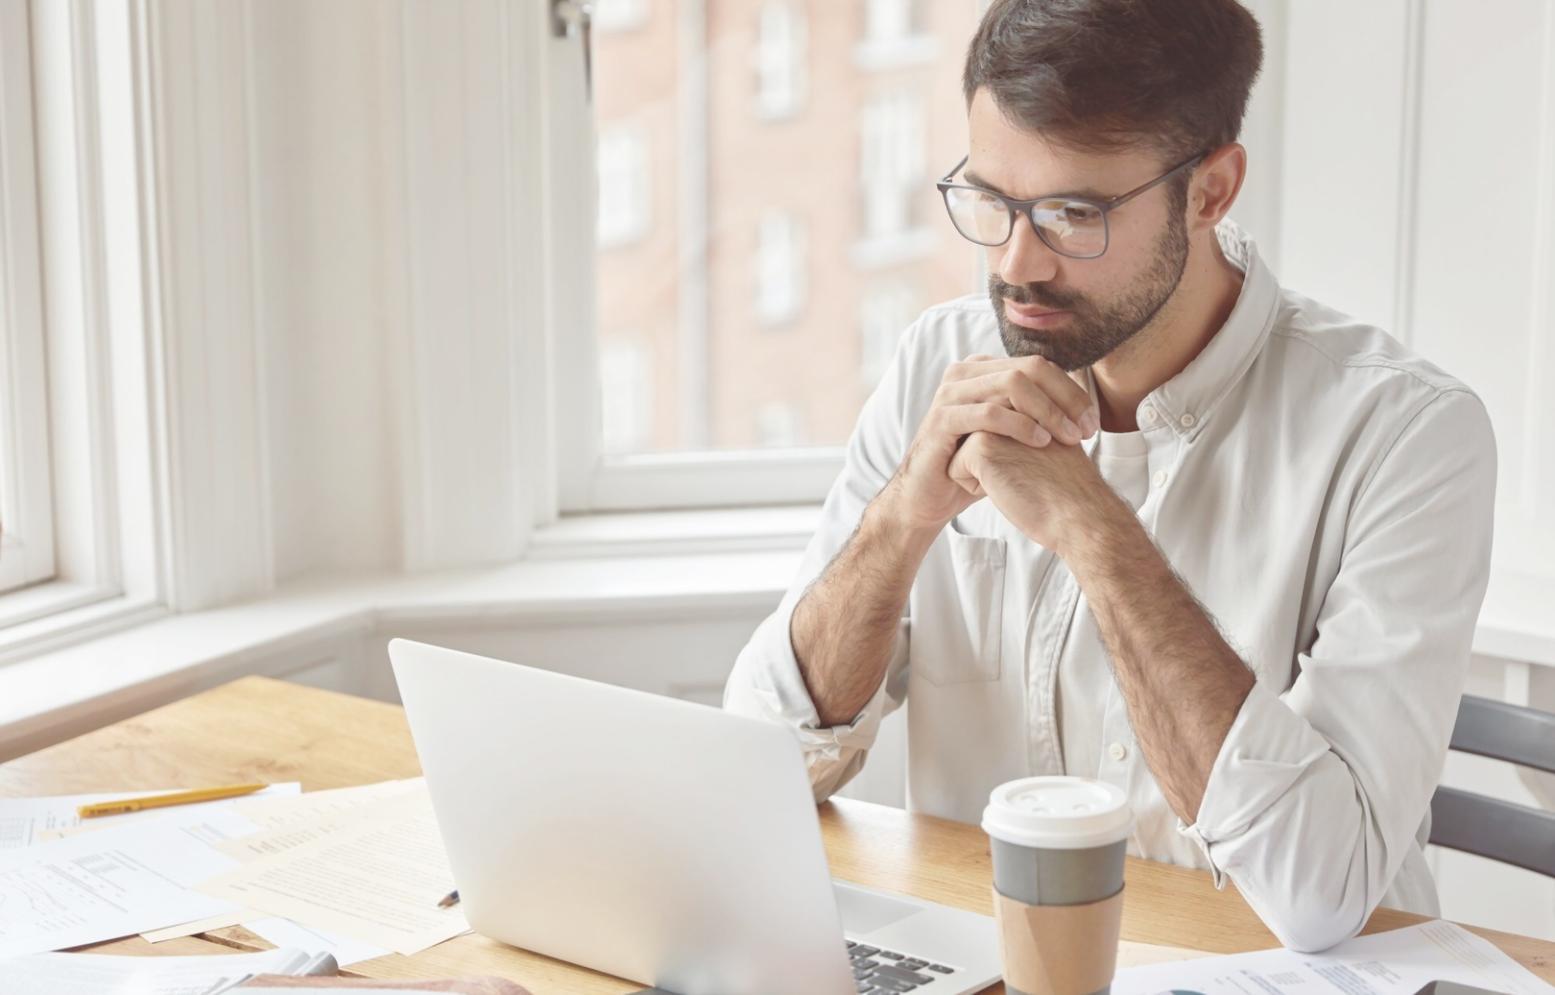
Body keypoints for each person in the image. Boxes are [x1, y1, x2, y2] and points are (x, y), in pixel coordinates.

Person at [723, 0, 1496, 954]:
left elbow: (1318, 892)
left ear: (1211, 191)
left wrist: (1097, 533)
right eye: (991, 201)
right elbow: (760, 769)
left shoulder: (1405, 434)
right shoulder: (944, 361)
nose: (1014, 263)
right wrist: (902, 520)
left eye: (1071, 214)